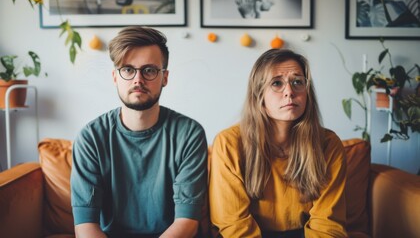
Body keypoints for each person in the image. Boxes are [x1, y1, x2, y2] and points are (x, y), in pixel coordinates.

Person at [70, 26, 208, 238]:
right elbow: (85, 226)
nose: (138, 80)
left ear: (165, 77)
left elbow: (187, 222)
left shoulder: (189, 134)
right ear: (115, 77)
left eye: (149, 70)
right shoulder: (91, 138)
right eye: (127, 69)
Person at [209, 49, 348, 237]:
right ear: (259, 96)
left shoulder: (329, 145)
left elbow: (327, 224)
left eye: (297, 82)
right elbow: (234, 225)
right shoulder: (229, 144)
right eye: (276, 83)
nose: (289, 92)